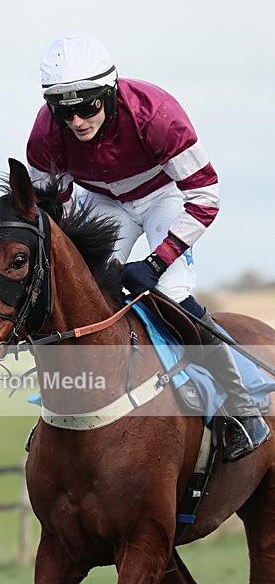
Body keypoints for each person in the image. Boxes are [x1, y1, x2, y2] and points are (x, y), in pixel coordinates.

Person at [27, 34, 270, 462]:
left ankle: (240, 404)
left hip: (166, 194)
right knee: (84, 290)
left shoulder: (156, 114)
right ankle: (61, 406)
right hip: (102, 199)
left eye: (88, 107)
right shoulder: (46, 134)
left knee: (169, 293)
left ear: (111, 93)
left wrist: (157, 263)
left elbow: (206, 196)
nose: (77, 122)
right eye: (64, 111)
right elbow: (53, 213)